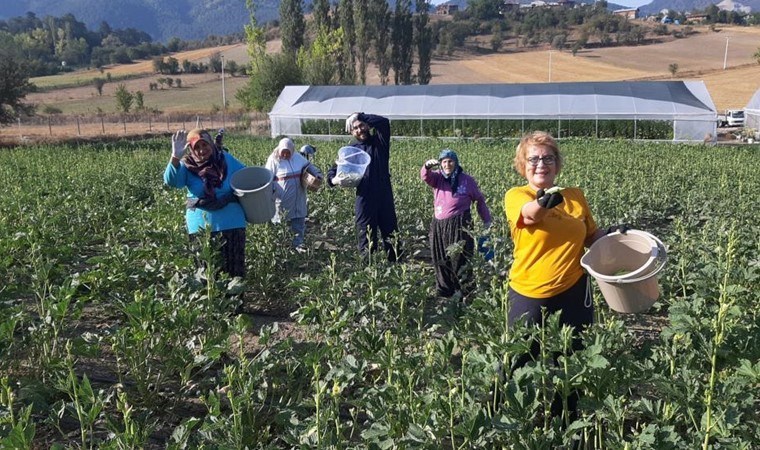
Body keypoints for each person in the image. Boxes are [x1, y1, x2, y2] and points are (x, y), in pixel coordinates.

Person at [503, 131, 628, 421]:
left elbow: (591, 236)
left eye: (548, 158)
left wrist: (615, 236)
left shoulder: (575, 196)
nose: (541, 164)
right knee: (519, 358)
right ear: (523, 165)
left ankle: (567, 423)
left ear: (557, 164)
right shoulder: (516, 195)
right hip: (530, 292)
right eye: (533, 159)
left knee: (573, 361)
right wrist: (545, 201)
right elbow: (530, 216)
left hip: (574, 290)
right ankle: (507, 418)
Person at [164, 128, 248, 277]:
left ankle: (237, 301)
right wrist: (175, 158)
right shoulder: (186, 166)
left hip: (232, 223)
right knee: (206, 275)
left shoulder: (226, 159)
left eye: (205, 145)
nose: (202, 150)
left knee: (234, 275)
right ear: (190, 149)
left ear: (211, 144)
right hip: (201, 227)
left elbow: (247, 176)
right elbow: (171, 181)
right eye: (197, 147)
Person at [327, 112, 401, 261]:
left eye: (362, 125)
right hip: (364, 197)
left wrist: (359, 115)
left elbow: (384, 122)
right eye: (355, 128)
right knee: (365, 234)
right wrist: (333, 180)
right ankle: (369, 269)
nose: (359, 130)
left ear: (368, 125)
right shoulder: (351, 151)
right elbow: (333, 171)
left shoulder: (379, 142)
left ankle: (396, 266)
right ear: (351, 132)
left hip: (384, 195)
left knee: (391, 233)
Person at [422, 149, 491, 298]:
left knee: (460, 258)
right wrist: (427, 166)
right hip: (439, 225)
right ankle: (444, 290)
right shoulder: (437, 178)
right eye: (444, 161)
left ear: (456, 162)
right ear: (440, 164)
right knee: (440, 257)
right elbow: (425, 176)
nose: (447, 164)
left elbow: (479, 201)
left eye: (450, 161)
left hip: (460, 223)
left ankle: (464, 290)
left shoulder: (467, 180)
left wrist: (487, 221)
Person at [265, 137, 323, 251]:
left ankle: (298, 247)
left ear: (292, 150)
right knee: (282, 224)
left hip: (299, 198)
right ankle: (282, 249)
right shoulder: (273, 160)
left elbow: (309, 166)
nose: (286, 155)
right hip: (282, 199)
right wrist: (270, 193)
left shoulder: (297, 158)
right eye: (283, 152)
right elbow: (267, 178)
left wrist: (317, 174)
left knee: (299, 223)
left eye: (288, 152)